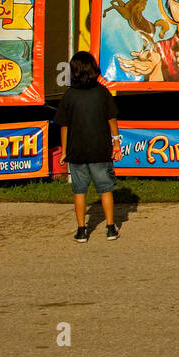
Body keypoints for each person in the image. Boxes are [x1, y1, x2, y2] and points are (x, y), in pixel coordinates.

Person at [55, 51, 120, 243]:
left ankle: (82, 230)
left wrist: (64, 151)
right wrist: (116, 142)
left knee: (79, 191)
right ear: (93, 69)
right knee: (105, 189)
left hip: (76, 151)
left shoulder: (69, 95)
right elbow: (112, 119)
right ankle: (110, 228)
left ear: (73, 71)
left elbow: (64, 126)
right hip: (100, 149)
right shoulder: (102, 92)